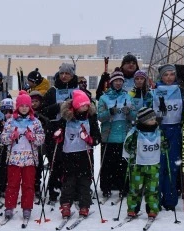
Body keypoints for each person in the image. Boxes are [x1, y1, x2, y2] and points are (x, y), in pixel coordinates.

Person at [52, 89, 101, 218]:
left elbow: (97, 137)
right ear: (76, 105)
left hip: (85, 155)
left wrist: (91, 140)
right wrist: (58, 135)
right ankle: (66, 205)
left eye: (87, 105)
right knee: (69, 182)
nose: (85, 107)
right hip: (69, 156)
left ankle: (85, 205)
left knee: (85, 182)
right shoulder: (66, 117)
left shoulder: (91, 117)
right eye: (82, 105)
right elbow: (57, 131)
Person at [1, 92, 45, 221]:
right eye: (22, 105)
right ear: (17, 106)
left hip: (30, 159)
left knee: (28, 185)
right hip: (14, 159)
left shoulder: (35, 122)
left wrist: (34, 137)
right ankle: (9, 207)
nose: (24, 108)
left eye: (27, 105)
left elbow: (41, 138)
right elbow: (3, 139)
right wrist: (11, 137)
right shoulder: (10, 121)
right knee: (12, 184)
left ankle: (27, 207)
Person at [153, 64, 184, 210]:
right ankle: (155, 198)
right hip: (158, 131)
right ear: (161, 76)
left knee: (172, 167)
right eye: (166, 75)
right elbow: (146, 107)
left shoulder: (181, 90)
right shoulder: (155, 90)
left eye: (172, 74)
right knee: (158, 166)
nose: (169, 77)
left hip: (175, 130)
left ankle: (170, 200)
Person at [41, 63, 79, 203]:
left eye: (67, 73)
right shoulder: (52, 91)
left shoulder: (77, 90)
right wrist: (57, 106)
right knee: (55, 161)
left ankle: (70, 189)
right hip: (55, 128)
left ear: (72, 75)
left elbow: (86, 107)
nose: (64, 76)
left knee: (71, 161)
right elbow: (43, 110)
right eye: (62, 73)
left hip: (73, 129)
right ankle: (54, 189)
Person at [96, 70, 134, 200]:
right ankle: (106, 187)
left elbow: (134, 117)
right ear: (111, 82)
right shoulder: (104, 97)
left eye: (120, 81)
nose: (118, 83)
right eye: (116, 81)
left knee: (123, 165)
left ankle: (123, 187)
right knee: (107, 164)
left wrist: (128, 112)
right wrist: (110, 112)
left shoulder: (127, 96)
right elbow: (100, 117)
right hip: (109, 136)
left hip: (123, 136)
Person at [123, 107, 166, 219]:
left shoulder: (158, 132)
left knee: (152, 190)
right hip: (137, 165)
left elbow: (164, 147)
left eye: (154, 118)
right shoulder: (135, 132)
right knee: (135, 189)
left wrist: (166, 145)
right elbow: (127, 146)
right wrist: (132, 146)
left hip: (153, 165)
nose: (154, 120)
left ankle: (152, 209)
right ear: (143, 120)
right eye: (151, 119)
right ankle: (133, 209)